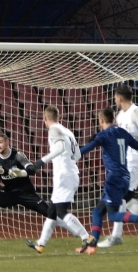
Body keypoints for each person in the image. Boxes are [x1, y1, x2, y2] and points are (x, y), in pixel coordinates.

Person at [78, 107, 138, 254]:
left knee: (112, 215)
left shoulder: (104, 135)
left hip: (114, 178)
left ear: (101, 120)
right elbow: (137, 145)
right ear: (114, 120)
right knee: (98, 211)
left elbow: (89, 147)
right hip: (125, 177)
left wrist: (74, 156)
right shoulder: (122, 132)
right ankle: (92, 246)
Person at [26, 106, 91, 253]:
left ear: (45, 118)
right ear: (58, 116)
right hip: (70, 173)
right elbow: (78, 155)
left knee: (61, 211)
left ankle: (87, 237)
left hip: (64, 175)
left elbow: (60, 147)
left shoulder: (54, 130)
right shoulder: (67, 131)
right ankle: (41, 244)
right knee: (52, 211)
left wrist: (40, 162)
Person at [99, 84, 138, 248]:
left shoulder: (136, 111)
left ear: (120, 98)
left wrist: (128, 134)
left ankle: (116, 236)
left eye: (115, 97)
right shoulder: (120, 115)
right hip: (127, 161)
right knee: (127, 199)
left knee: (119, 196)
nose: (114, 99)